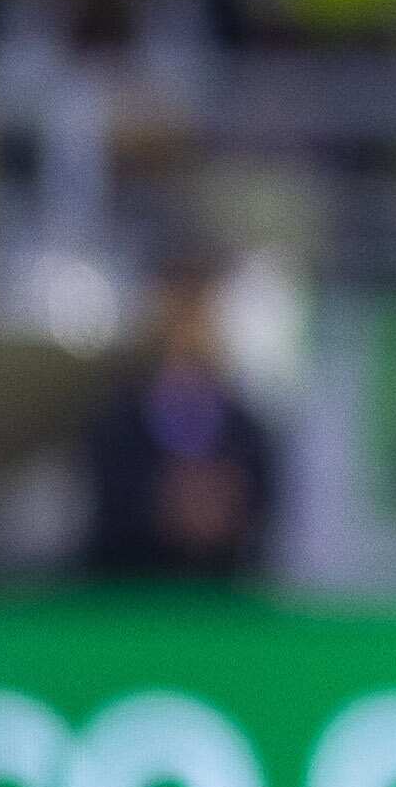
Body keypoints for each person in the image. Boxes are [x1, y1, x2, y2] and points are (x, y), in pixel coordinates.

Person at [77, 239, 279, 582]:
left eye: (199, 305)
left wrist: (222, 509)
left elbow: (265, 507)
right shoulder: (116, 419)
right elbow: (101, 499)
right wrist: (162, 506)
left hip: (220, 596)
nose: (187, 322)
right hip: (127, 597)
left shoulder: (247, 427)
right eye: (178, 303)